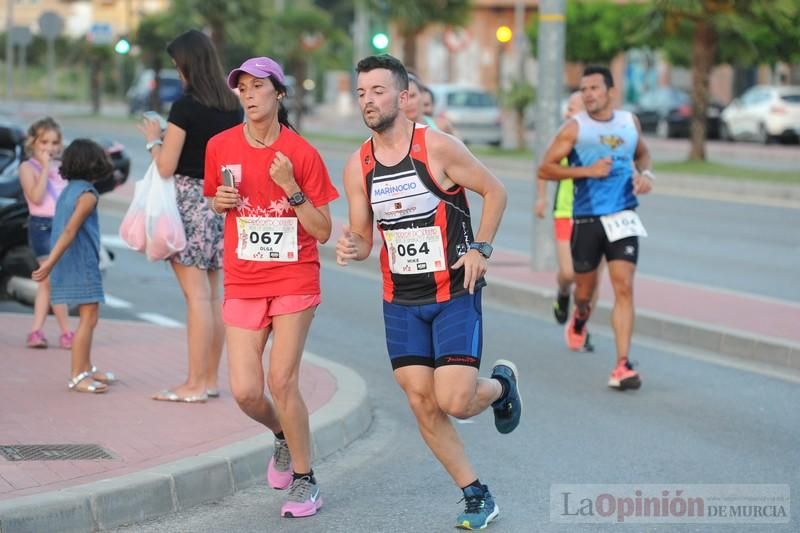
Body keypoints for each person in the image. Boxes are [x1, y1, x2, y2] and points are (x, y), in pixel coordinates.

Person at [336, 54, 522, 530]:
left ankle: (501, 387)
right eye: (361, 93)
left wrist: (481, 246)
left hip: (455, 289)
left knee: (456, 401)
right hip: (400, 299)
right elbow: (363, 239)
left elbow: (495, 190)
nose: (368, 101)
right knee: (422, 400)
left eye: (378, 91)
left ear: (402, 98)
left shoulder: (438, 148)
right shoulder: (357, 165)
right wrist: (351, 244)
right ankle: (475, 493)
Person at [206, 56, 339, 518]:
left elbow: (323, 230)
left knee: (281, 379)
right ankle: (282, 435)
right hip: (243, 278)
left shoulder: (301, 154)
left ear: (279, 94)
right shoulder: (220, 146)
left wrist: (291, 188)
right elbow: (215, 198)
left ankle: (306, 481)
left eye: (257, 86)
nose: (247, 94)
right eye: (241, 87)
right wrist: (218, 201)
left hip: (293, 277)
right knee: (245, 391)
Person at [139, 29, 243, 403]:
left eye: (176, 64)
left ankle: (195, 384)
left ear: (186, 64)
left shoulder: (185, 106)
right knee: (212, 297)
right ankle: (210, 380)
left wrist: (154, 138)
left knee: (196, 298)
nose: (175, 70)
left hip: (187, 204)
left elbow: (166, 166)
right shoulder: (231, 105)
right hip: (220, 202)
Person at [537, 65, 654, 391]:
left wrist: (647, 176)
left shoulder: (629, 122)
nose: (588, 94)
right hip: (587, 219)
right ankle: (580, 317)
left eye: (594, 88)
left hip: (622, 216)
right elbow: (545, 168)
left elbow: (643, 154)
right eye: (583, 89)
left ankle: (622, 365)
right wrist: (587, 171)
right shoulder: (575, 128)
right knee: (584, 292)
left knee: (624, 287)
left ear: (610, 92)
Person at [32, 139, 116, 393]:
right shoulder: (87, 195)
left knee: (90, 318)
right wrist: (49, 263)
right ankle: (78, 375)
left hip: (73, 261)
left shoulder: (69, 190)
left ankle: (87, 366)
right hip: (81, 262)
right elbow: (69, 231)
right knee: (87, 319)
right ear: (93, 164)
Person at [535, 92, 604, 350]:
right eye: (567, 109)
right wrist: (541, 198)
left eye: (572, 109)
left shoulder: (603, 140)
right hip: (566, 212)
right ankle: (563, 294)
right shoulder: (565, 138)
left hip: (599, 215)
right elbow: (545, 168)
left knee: (593, 277)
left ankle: (580, 326)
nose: (567, 114)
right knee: (569, 273)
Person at [19, 117, 73, 349]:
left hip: (62, 226)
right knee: (52, 279)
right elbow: (37, 197)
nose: (49, 148)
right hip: (41, 227)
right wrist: (43, 169)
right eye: (44, 142)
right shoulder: (27, 167)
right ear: (33, 142)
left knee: (47, 284)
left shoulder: (62, 168)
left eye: (54, 143)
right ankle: (66, 332)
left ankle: (36, 331)